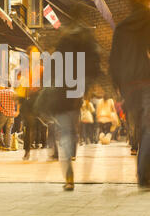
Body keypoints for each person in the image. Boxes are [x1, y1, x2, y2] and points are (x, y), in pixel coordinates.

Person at [109, 0, 150, 191]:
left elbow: (113, 59)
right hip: (142, 81)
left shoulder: (122, 26)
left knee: (137, 128)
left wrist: (117, 86)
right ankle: (146, 178)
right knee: (146, 130)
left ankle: (143, 174)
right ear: (143, 0)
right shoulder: (146, 17)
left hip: (126, 86)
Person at [35, 25, 102, 191]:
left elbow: (48, 80)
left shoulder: (59, 55)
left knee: (65, 134)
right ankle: (72, 160)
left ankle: (69, 177)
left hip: (60, 100)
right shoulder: (82, 57)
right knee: (71, 132)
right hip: (73, 101)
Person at [0, 85, 18, 150]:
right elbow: (18, 103)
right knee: (8, 130)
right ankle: (7, 146)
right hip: (11, 114)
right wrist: (17, 111)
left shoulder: (0, 92)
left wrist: (0, 107)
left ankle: (0, 145)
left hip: (3, 113)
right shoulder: (14, 92)